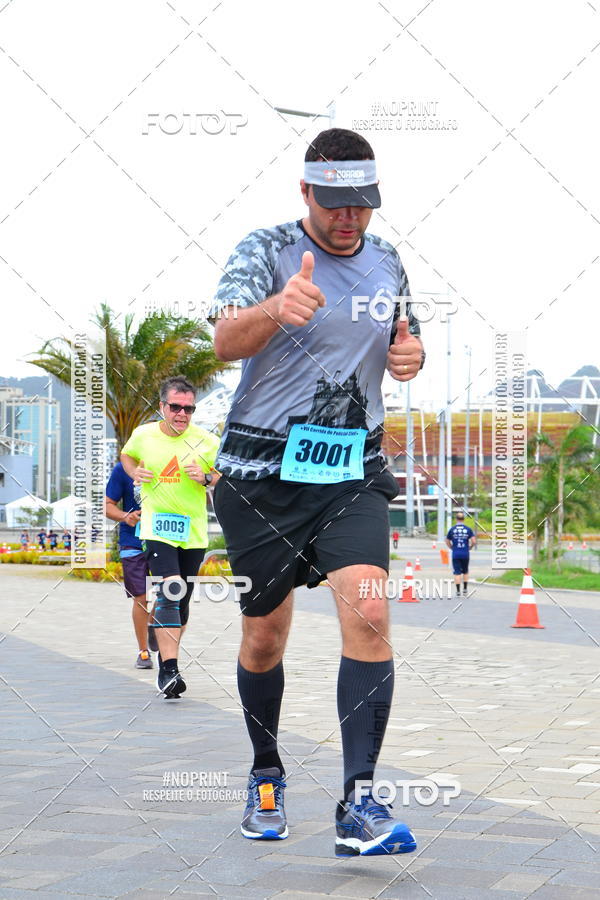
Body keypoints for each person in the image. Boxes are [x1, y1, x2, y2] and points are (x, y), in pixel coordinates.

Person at [210, 128, 425, 856]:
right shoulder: (263, 251)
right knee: (264, 638)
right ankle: (266, 775)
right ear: (306, 192)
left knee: (369, 609)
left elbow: (407, 341)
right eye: (334, 204)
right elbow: (224, 342)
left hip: (350, 474)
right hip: (261, 480)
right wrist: (276, 309)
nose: (348, 219)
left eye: (361, 205)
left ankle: (358, 801)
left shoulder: (389, 260)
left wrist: (410, 357)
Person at [120, 375, 220, 698]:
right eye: (175, 407)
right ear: (162, 406)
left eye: (188, 409)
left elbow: (224, 474)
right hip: (156, 527)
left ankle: (162, 641)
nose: (182, 414)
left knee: (182, 602)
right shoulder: (144, 435)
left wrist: (206, 477)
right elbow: (127, 455)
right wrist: (135, 472)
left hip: (192, 533)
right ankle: (169, 671)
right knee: (171, 589)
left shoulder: (206, 440)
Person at [105, 462, 153, 669]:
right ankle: (144, 651)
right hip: (133, 541)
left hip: (168, 539)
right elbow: (107, 505)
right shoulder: (122, 469)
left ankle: (155, 628)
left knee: (169, 595)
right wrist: (126, 516)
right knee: (141, 597)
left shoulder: (172, 463)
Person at [446, 511, 476, 596]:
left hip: (456, 553)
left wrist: (451, 547)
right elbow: (473, 541)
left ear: (456, 519)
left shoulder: (452, 529)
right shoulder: (468, 529)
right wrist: (470, 547)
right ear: (463, 519)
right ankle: (465, 589)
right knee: (465, 571)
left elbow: (447, 540)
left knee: (457, 572)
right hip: (465, 553)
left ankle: (458, 590)